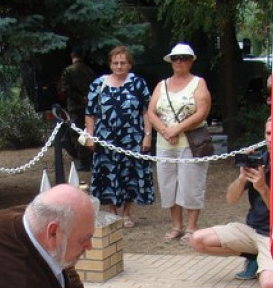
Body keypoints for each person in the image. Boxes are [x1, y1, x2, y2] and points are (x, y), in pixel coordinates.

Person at [190, 121, 273, 288]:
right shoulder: (260, 161)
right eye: (268, 134)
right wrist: (242, 178)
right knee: (197, 239)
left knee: (271, 287)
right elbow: (231, 199)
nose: (271, 139)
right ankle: (255, 257)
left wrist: (263, 189)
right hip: (252, 231)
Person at [146, 43, 212, 246]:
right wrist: (165, 131)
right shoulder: (162, 85)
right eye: (176, 58)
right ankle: (176, 225)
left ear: (191, 60)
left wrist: (178, 129)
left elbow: (202, 112)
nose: (179, 62)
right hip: (166, 144)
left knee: (191, 184)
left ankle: (192, 226)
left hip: (191, 142)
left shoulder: (198, 83)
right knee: (168, 185)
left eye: (183, 58)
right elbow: (151, 111)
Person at [85, 45, 153, 226]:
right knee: (107, 174)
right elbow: (90, 113)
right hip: (105, 139)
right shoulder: (98, 84)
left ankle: (127, 213)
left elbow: (147, 111)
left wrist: (147, 135)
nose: (119, 66)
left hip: (131, 138)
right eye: (115, 63)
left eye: (123, 63)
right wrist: (90, 136)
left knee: (129, 175)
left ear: (130, 64)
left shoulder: (138, 83)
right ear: (110, 64)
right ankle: (112, 212)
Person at [58, 48, 94, 170]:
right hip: (88, 106)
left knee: (76, 133)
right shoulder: (89, 71)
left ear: (72, 56)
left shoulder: (68, 71)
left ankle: (84, 161)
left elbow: (65, 89)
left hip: (74, 106)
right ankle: (92, 158)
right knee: (89, 131)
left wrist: (78, 98)